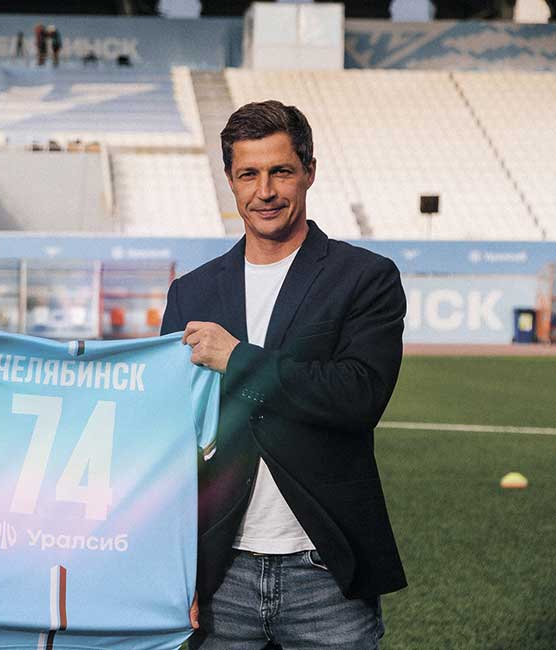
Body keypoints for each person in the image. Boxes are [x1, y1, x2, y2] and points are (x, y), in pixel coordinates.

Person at [161, 100, 408, 649]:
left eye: (281, 171)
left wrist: (238, 360)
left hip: (324, 574)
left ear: (309, 171)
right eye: (249, 174)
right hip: (221, 574)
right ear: (230, 181)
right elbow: (173, 437)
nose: (265, 191)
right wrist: (173, 565)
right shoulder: (191, 293)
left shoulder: (365, 278)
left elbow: (359, 396)